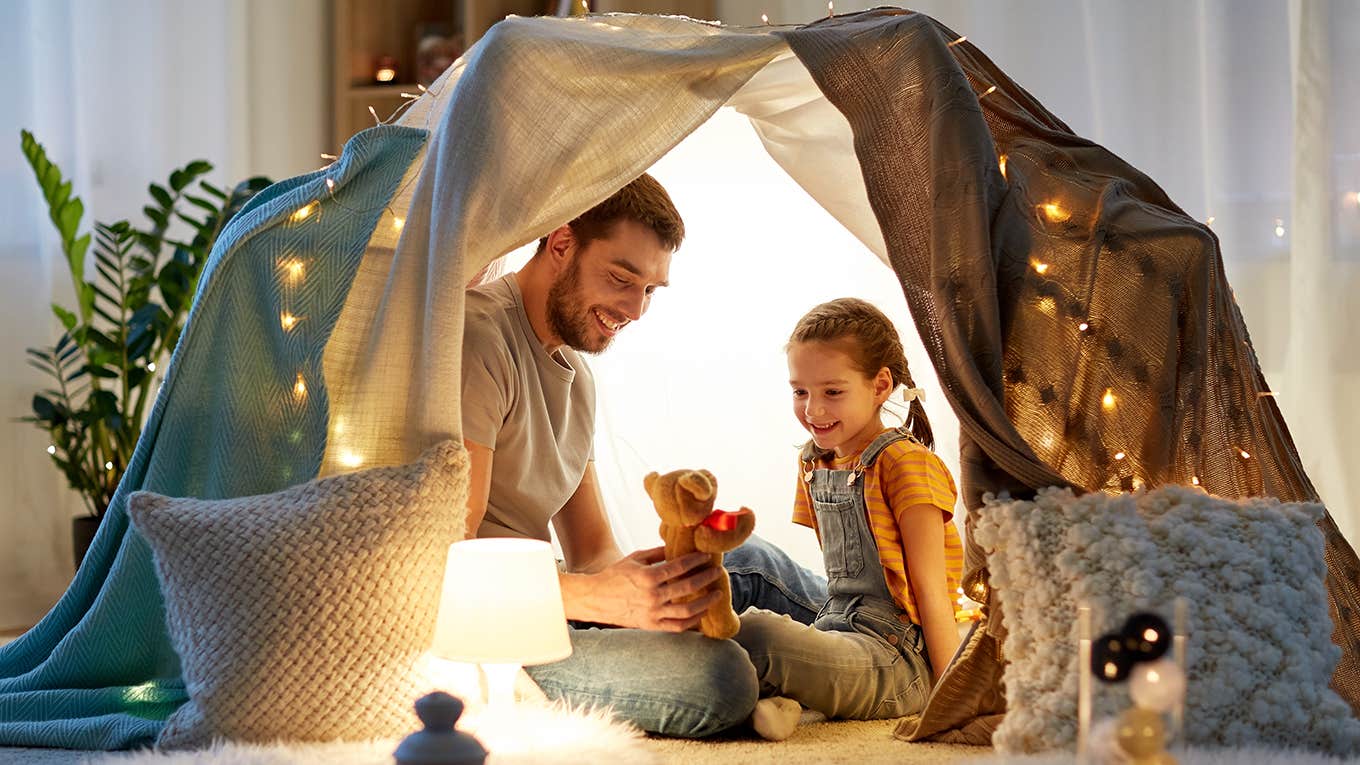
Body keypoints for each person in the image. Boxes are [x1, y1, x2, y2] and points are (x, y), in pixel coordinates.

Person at [459, 173, 828, 738]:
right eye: (621, 278)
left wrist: (647, 585)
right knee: (721, 677)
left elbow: (590, 548)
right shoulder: (479, 337)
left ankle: (890, 643)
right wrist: (599, 598)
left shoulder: (577, 374)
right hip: (497, 628)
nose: (635, 310)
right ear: (561, 244)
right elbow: (446, 561)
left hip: (556, 598)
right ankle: (827, 666)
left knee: (744, 561)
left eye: (651, 290)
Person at [732, 297, 965, 740]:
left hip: (899, 659)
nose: (813, 411)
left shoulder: (905, 464)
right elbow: (842, 582)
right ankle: (785, 698)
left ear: (880, 386)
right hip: (837, 621)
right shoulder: (814, 462)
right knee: (741, 559)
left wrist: (952, 698)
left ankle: (769, 688)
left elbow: (932, 594)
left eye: (832, 392)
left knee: (759, 634)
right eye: (800, 392)